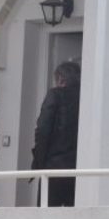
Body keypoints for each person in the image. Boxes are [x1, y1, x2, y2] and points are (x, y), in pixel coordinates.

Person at [30, 60, 81, 207]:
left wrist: (39, 162)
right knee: (75, 214)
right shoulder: (85, 98)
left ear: (60, 79)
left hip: (54, 166)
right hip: (79, 168)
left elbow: (42, 130)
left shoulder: (55, 95)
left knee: (48, 213)